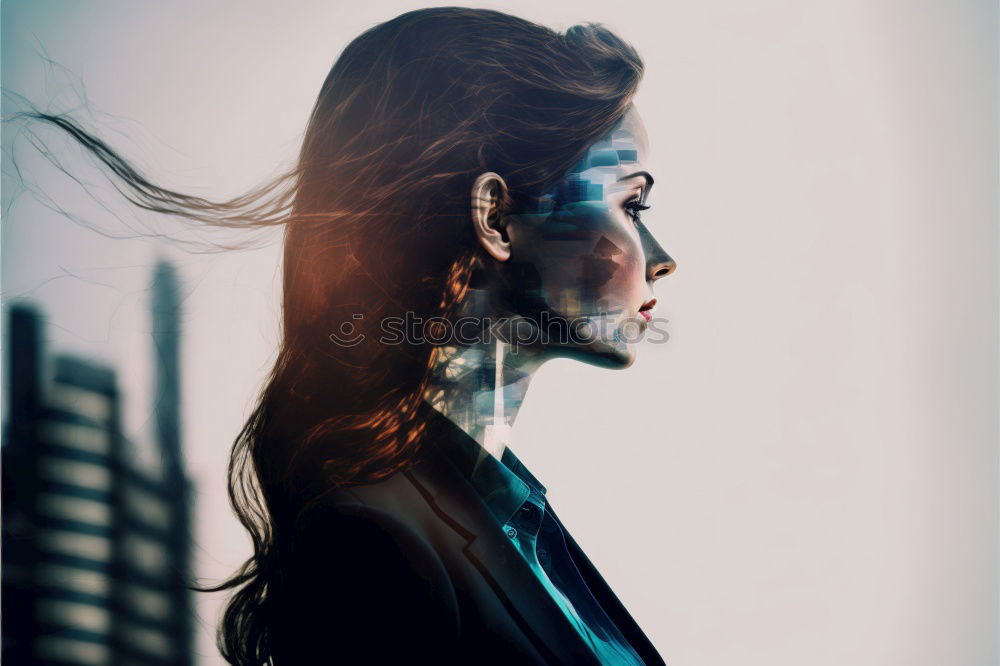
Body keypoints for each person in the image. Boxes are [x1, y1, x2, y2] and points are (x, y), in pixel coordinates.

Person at [19, 7, 675, 664]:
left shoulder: (515, 519)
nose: (662, 254)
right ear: (497, 219)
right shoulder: (371, 544)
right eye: (631, 204)